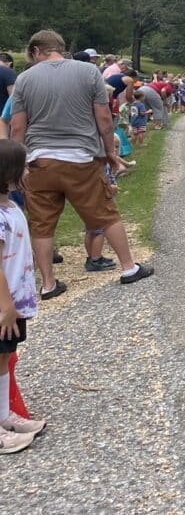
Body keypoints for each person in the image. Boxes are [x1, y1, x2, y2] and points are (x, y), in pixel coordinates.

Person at [9, 29, 153, 297]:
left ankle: (48, 284)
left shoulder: (24, 79)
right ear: (59, 47)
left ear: (36, 50)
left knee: (41, 224)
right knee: (105, 213)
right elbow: (104, 118)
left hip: (39, 161)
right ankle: (128, 267)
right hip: (81, 158)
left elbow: (17, 127)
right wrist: (110, 153)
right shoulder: (88, 72)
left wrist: (19, 166)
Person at [0, 139, 45, 453]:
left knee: (4, 358)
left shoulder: (11, 207)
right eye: (24, 167)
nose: (28, 171)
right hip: (4, 305)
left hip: (14, 303)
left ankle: (4, 415)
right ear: (9, 172)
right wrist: (5, 306)